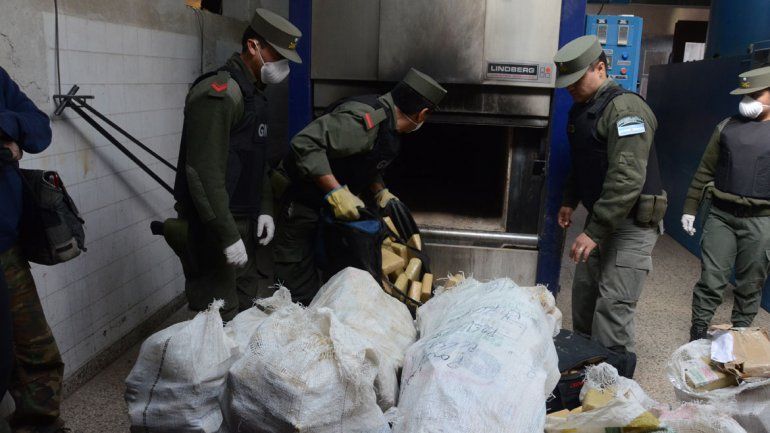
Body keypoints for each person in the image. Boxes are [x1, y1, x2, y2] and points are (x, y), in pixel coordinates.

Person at [273, 68, 447, 305]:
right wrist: (336, 192)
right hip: (302, 203)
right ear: (422, 114)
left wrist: (379, 191)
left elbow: (363, 160)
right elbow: (304, 143)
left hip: (330, 212)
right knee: (298, 289)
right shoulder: (364, 122)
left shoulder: (388, 126)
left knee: (334, 281)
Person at [172, 8, 302, 321]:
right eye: (277, 55)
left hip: (244, 220)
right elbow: (203, 173)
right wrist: (227, 234)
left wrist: (266, 208)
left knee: (244, 306)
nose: (282, 66)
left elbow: (256, 162)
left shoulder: (254, 94)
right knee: (217, 315)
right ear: (253, 46)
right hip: (215, 225)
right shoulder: (220, 94)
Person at [553, 35, 667, 375]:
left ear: (600, 68)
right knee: (585, 301)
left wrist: (594, 230)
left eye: (576, 80)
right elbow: (583, 161)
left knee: (613, 311)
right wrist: (570, 200)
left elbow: (626, 179)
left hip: (631, 226)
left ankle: (614, 389)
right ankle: (585, 377)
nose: (570, 88)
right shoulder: (583, 109)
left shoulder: (626, 110)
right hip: (602, 221)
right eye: (567, 82)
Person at [0, 66, 66, 432]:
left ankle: (40, 425)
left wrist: (6, 126)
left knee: (36, 352)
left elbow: (40, 130)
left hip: (5, 249)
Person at [682, 66, 770, 341]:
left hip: (761, 218)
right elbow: (705, 171)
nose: (747, 101)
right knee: (712, 278)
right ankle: (698, 330)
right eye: (745, 95)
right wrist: (690, 209)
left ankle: (741, 334)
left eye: (755, 95)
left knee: (751, 282)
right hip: (721, 214)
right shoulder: (726, 127)